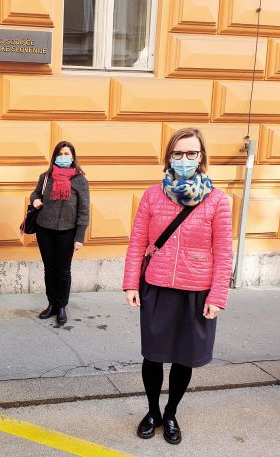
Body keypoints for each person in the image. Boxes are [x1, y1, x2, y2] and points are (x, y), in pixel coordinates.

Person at [123, 128, 233, 445]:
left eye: (191, 154)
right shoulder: (152, 195)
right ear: (169, 157)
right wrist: (131, 282)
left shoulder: (217, 200)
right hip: (156, 287)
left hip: (197, 292)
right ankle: (153, 412)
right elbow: (137, 243)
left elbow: (224, 252)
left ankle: (171, 413)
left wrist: (218, 295)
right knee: (153, 356)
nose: (184, 160)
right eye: (178, 154)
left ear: (201, 157)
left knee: (185, 357)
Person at [30, 141, 90, 325]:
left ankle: (62, 306)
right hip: (44, 229)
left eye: (67, 154)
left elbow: (84, 210)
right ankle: (52, 304)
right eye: (60, 153)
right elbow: (35, 194)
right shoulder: (46, 177)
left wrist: (79, 236)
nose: (64, 157)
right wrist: (35, 201)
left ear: (73, 157)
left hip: (67, 232)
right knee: (49, 269)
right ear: (55, 156)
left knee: (63, 271)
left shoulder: (80, 180)